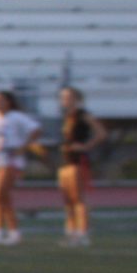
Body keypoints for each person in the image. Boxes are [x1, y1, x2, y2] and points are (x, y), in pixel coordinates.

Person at [0, 90, 44, 246]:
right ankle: (12, 233)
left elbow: (36, 130)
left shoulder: (16, 117)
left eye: (0, 100)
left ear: (8, 102)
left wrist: (24, 146)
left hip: (10, 159)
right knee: (3, 199)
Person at [54, 87, 105, 248]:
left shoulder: (83, 115)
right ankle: (71, 233)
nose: (65, 100)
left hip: (77, 160)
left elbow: (101, 133)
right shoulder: (66, 117)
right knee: (67, 199)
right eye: (63, 97)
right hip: (65, 160)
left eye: (69, 97)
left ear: (77, 98)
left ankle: (83, 233)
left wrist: (86, 146)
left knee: (78, 198)